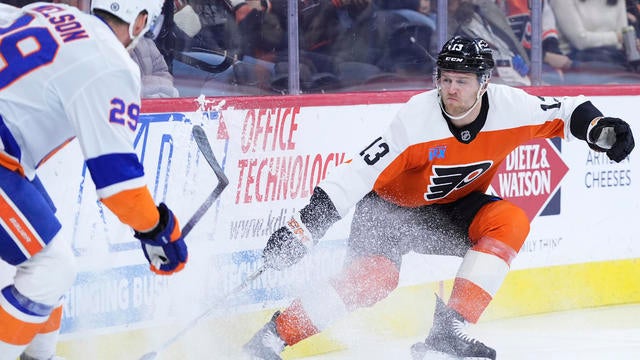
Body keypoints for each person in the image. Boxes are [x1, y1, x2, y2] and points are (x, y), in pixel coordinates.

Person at [242, 35, 635, 360]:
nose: (451, 89)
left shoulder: (511, 107)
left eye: (462, 81)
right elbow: (356, 174)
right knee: (374, 281)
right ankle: (271, 338)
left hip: (453, 210)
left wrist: (601, 129)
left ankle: (447, 334)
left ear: (484, 83)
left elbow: (569, 112)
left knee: (510, 220)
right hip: (390, 213)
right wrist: (303, 227)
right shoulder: (416, 120)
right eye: (445, 78)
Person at [0, 1, 189, 359]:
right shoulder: (112, 63)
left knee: (51, 259)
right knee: (53, 267)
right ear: (140, 22)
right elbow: (120, 188)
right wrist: (159, 229)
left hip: (9, 159)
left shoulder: (46, 11)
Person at [501, 0, 573, 84]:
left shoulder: (540, 2)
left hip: (531, 63)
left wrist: (556, 58)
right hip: (504, 69)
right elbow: (499, 44)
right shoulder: (495, 3)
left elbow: (549, 35)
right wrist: (545, 57)